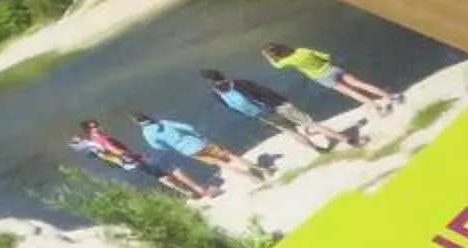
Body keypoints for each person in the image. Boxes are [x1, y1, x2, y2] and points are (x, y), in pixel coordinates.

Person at [202, 68, 338, 150]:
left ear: (209, 81)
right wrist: (282, 100)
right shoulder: (238, 82)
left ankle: (317, 149)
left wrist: (254, 115)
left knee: (291, 132)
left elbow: (231, 108)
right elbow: (263, 91)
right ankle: (342, 138)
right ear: (221, 74)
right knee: (308, 123)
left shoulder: (216, 94)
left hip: (261, 114)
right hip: (274, 105)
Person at [261, 40, 395, 109]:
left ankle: (376, 106)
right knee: (359, 84)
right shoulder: (303, 50)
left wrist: (269, 58)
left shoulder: (287, 61)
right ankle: (389, 96)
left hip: (322, 77)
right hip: (333, 69)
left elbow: (277, 66)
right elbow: (326, 56)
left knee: (350, 92)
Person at [135, 110, 251, 180]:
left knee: (220, 163)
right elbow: (187, 127)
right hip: (198, 142)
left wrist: (170, 146)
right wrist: (197, 134)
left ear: (137, 123)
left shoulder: (147, 133)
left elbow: (157, 146)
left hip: (188, 151)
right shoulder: (163, 122)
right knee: (228, 155)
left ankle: (249, 176)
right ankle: (255, 168)